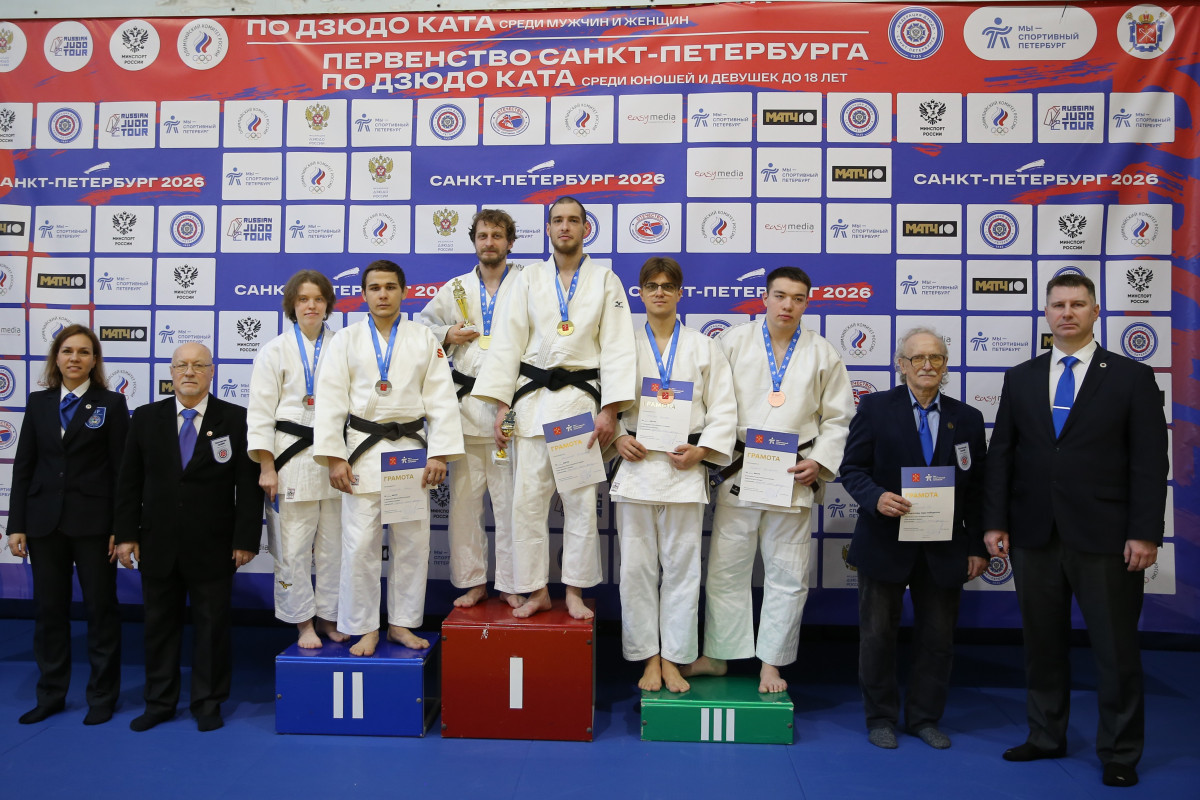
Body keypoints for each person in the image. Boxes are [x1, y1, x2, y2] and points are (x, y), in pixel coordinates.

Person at [983, 274, 1168, 788]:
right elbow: (1002, 455)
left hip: (1107, 536)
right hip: (1034, 533)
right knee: (1042, 645)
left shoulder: (1132, 377)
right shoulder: (1021, 377)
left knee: (1115, 650)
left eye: (1078, 304)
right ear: (1045, 312)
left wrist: (1145, 532)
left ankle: (1120, 752)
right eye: (1058, 304)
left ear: (1095, 311)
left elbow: (1150, 462)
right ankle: (1046, 735)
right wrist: (995, 521)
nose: (1067, 312)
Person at [684, 266, 854, 693]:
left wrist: (820, 462)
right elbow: (710, 402)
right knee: (726, 570)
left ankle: (771, 664)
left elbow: (838, 419)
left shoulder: (822, 353)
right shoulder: (733, 342)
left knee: (787, 574)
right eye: (780, 295)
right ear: (764, 297)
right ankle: (718, 655)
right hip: (740, 470)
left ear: (807, 303)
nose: (787, 305)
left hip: (793, 474)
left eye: (797, 298)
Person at [472, 196, 637, 620]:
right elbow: (507, 343)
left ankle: (575, 590)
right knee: (526, 505)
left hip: (579, 408)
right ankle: (537, 589)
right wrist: (503, 409)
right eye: (558, 220)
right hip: (531, 406)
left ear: (585, 228)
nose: (565, 227)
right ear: (547, 229)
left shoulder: (605, 280)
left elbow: (618, 347)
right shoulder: (528, 279)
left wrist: (610, 410)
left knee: (580, 505)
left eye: (573, 220)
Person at [840, 327, 988, 750]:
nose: (927, 365)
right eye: (917, 358)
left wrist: (976, 545)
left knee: (937, 640)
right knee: (877, 637)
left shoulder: (968, 418)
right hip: (884, 541)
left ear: (945, 365)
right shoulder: (875, 408)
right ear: (901, 365)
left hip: (944, 547)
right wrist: (876, 497)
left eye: (935, 358)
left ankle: (924, 718)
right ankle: (880, 718)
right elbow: (852, 469)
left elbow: (979, 489)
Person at [313, 259, 464, 657]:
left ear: (404, 292)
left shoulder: (422, 338)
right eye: (375, 288)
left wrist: (440, 453)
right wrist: (334, 457)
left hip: (410, 454)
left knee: (411, 543)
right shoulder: (345, 340)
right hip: (361, 453)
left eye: (390, 287)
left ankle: (401, 623)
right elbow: (330, 401)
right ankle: (364, 627)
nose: (383, 294)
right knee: (359, 544)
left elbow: (441, 399)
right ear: (364, 294)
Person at [115, 342, 262, 732]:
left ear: (212, 371)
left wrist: (245, 539)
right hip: (157, 543)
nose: (190, 372)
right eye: (182, 365)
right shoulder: (146, 417)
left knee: (212, 629)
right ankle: (159, 702)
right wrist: (126, 535)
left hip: (214, 545)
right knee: (158, 628)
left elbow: (248, 487)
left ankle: (208, 702)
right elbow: (128, 482)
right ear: (171, 372)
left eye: (198, 365)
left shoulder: (235, 419)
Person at [609, 257, 736, 692]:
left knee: (683, 571)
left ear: (681, 293)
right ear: (640, 293)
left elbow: (723, 409)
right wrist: (617, 437)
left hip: (684, 469)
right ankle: (649, 657)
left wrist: (703, 450)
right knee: (636, 570)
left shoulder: (704, 347)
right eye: (651, 286)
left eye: (667, 286)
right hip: (637, 466)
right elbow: (603, 402)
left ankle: (675, 658)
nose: (659, 292)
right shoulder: (622, 344)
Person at [8, 325, 129, 726]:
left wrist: (121, 526)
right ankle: (50, 694)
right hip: (43, 524)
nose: (74, 358)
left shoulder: (111, 403)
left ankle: (102, 697)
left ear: (94, 361)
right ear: (56, 358)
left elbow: (122, 472)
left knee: (101, 611)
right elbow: (24, 465)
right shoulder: (38, 402)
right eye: (67, 351)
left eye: (83, 352)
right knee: (49, 613)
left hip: (95, 526)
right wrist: (16, 524)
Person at [418, 209, 518, 609]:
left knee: (512, 505)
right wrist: (447, 333)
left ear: (510, 242)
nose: (489, 242)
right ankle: (473, 582)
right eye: (482, 235)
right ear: (474, 242)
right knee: (463, 506)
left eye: (497, 235)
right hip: (465, 408)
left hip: (511, 406)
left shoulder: (528, 283)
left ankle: (513, 582)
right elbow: (422, 329)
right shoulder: (455, 287)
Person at [247, 270, 347, 648]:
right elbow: (260, 413)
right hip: (289, 458)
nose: (311, 306)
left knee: (334, 546)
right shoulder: (273, 350)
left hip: (334, 457)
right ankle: (303, 622)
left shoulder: (342, 345)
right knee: (292, 547)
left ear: (328, 304)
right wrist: (266, 466)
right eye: (303, 299)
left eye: (318, 299)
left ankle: (328, 617)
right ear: (292, 304)